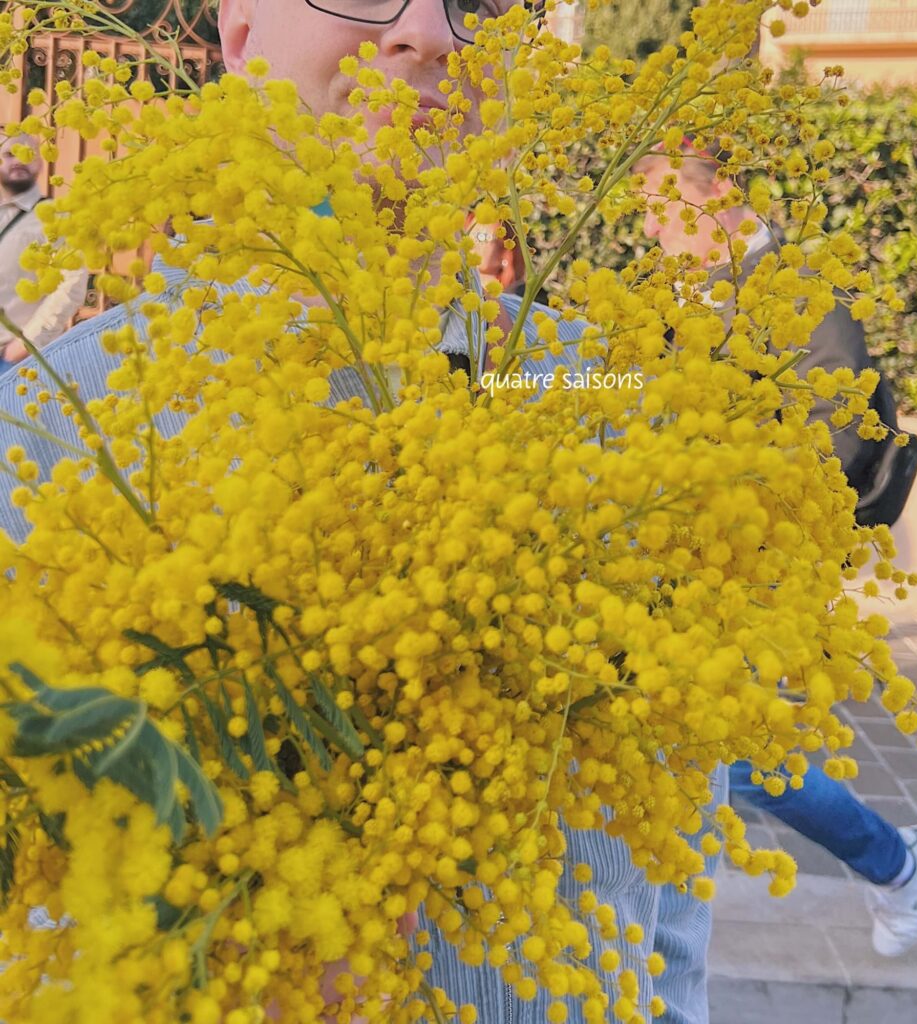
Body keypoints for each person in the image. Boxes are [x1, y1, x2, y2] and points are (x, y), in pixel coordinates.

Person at [0, 3, 724, 1021]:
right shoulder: (38, 438)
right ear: (240, 26)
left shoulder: (618, 414)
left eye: (477, 1)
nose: (426, 33)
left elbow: (676, 873)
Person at [635, 145, 917, 958]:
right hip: (688, 557)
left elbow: (828, 447)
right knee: (699, 751)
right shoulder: (699, 295)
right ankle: (894, 864)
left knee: (721, 756)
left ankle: (898, 862)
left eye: (664, 209)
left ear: (724, 193)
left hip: (760, 568)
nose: (653, 229)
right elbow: (626, 391)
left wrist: (704, 471)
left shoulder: (799, 295)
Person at [0, 135, 88, 371]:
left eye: (27, 154)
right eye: (9, 154)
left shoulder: (56, 218)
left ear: (39, 163)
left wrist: (30, 341)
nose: (18, 160)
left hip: (10, 358)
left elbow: (73, 283)